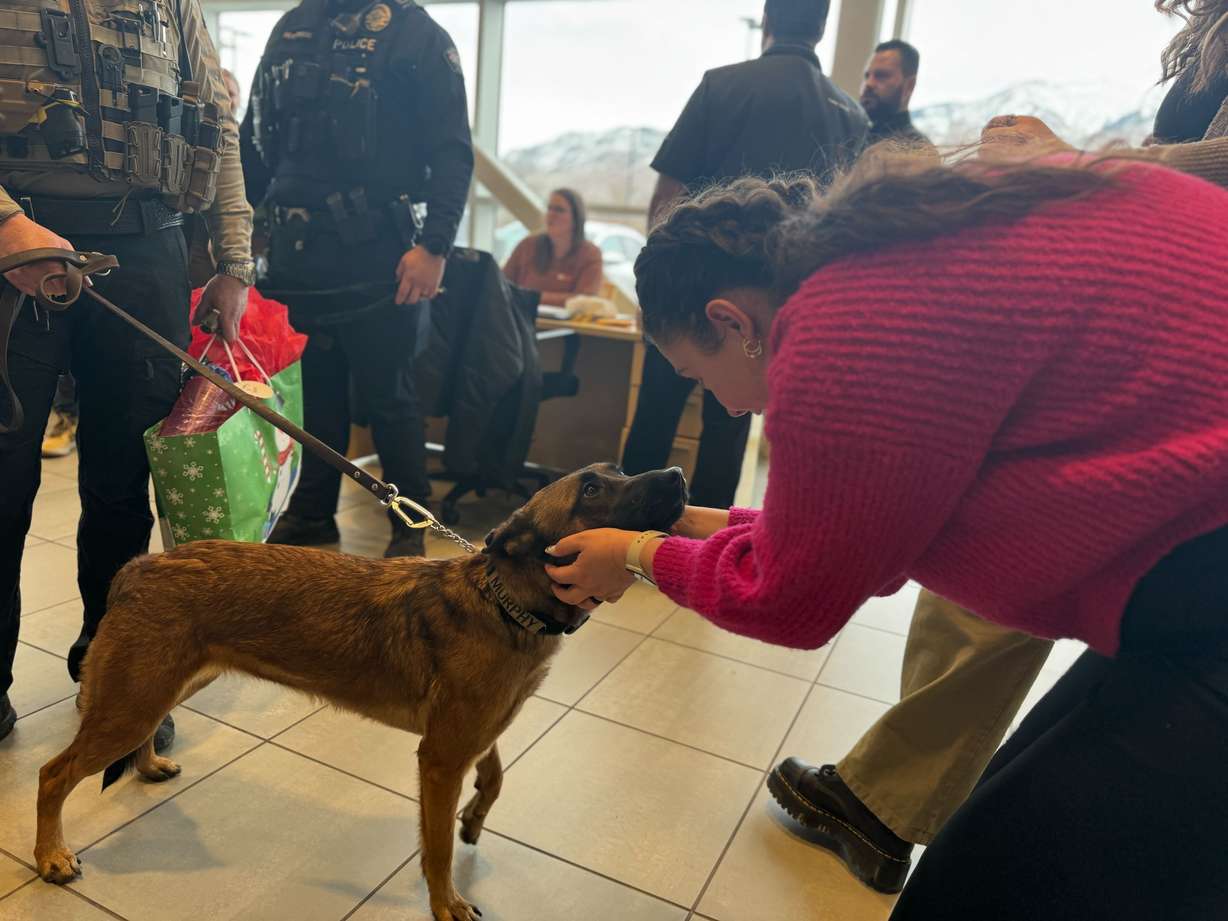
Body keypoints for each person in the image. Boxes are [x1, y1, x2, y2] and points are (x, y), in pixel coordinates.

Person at [544, 157, 1228, 918]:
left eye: (697, 375)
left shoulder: (842, 332)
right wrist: (683, 524)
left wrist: (632, 555)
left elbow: (792, 598)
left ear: (731, 322)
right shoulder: (886, 257)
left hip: (1207, 597)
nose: (726, 410)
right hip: (1187, 578)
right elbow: (855, 533)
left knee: (984, 886)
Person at [0, 0, 254, 745]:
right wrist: (7, 225)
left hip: (146, 250)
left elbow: (217, 122)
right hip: (11, 255)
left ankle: (115, 679)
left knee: (122, 484)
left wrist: (235, 262)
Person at [244, 0, 474, 559]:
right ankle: (313, 513)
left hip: (380, 255)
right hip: (295, 255)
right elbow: (255, 133)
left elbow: (452, 152)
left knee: (390, 397)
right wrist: (245, 223)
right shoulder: (294, 24)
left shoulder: (416, 32)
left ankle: (409, 525)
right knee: (312, 400)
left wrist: (435, 244)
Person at [620, 0, 867, 509]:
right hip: (781, 314)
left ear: (768, 22)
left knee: (656, 414)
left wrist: (654, 294)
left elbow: (669, 195)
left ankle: (621, 529)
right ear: (822, 28)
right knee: (731, 428)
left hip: (689, 288)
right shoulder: (852, 116)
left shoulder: (722, 85)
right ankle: (712, 538)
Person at [503, 189, 603, 306]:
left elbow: (585, 299)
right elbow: (502, 284)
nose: (551, 214)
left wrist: (534, 298)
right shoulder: (527, 245)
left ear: (576, 218)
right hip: (521, 318)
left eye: (559, 210)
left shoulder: (590, 253)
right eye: (549, 208)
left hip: (564, 323)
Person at [861, 40, 930, 146]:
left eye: (881, 75)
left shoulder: (917, 149)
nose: (869, 83)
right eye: (867, 76)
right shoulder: (856, 134)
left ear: (909, 85)